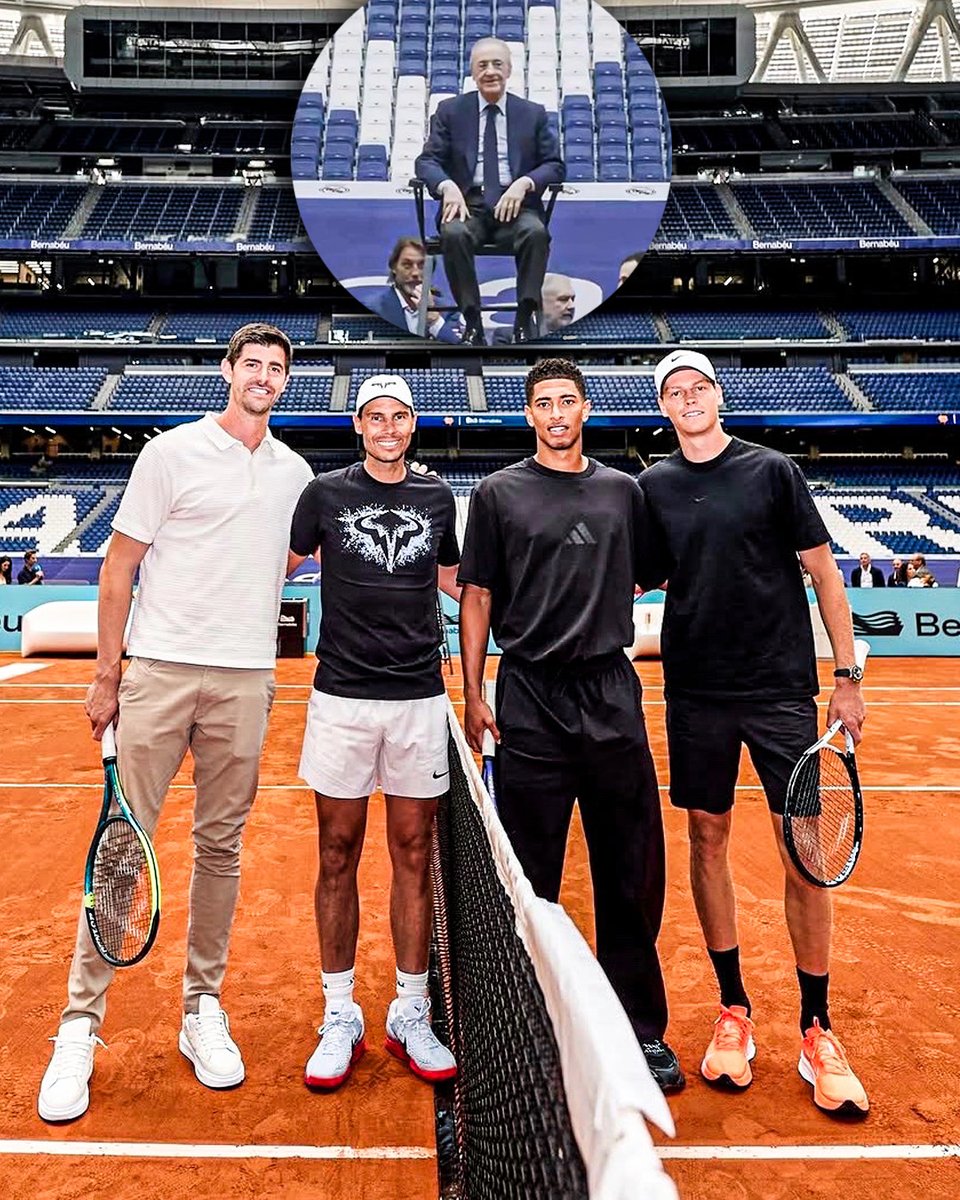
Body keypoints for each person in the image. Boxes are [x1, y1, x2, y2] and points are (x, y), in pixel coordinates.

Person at [37, 324, 314, 1123]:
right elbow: (120, 566)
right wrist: (106, 674)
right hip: (158, 672)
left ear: (286, 383)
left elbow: (287, 560)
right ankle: (79, 1027)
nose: (263, 376)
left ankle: (202, 1010)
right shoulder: (169, 453)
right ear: (229, 372)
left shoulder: (296, 474)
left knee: (221, 848)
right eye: (251, 364)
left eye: (276, 368)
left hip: (247, 680)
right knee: (125, 844)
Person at [638, 348, 869, 1117]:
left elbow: (824, 572)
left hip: (778, 692)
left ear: (717, 396)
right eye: (675, 391)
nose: (689, 398)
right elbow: (623, 574)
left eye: (698, 385)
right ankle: (733, 1009)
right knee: (707, 839)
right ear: (665, 408)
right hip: (696, 694)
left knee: (801, 850)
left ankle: (816, 1024)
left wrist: (847, 678)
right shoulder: (653, 488)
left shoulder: (773, 471)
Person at [458, 357, 683, 1093]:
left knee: (630, 870)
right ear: (528, 414)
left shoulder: (625, 492)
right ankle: (530, 1022)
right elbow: (479, 596)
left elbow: (650, 571)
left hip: (611, 691)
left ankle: (637, 1029)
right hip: (528, 693)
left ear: (585, 408)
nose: (556, 413)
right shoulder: (497, 494)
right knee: (531, 874)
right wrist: (474, 691)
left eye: (568, 401)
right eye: (543, 403)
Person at [288, 373, 460, 1092]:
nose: (387, 427)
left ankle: (410, 1010)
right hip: (342, 698)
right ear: (358, 425)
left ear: (412, 425)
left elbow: (458, 583)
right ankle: (340, 1013)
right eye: (375, 417)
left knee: (414, 851)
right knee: (337, 851)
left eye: (399, 417)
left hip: (418, 696)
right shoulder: (323, 495)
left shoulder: (437, 497)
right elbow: (279, 566)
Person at [415, 37, 565, 346]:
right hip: (467, 206)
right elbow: (426, 161)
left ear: (509, 69)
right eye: (482, 65)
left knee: (536, 233)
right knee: (453, 233)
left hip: (518, 208)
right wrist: (447, 186)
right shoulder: (450, 110)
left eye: (497, 64)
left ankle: (524, 317)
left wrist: (524, 183)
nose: (490, 71)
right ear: (472, 72)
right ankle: (472, 321)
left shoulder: (533, 113)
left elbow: (555, 165)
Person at [370, 236, 462, 343]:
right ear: (394, 267)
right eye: (407, 265)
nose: (415, 273)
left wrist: (434, 321)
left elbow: (463, 354)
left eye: (422, 265)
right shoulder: (374, 310)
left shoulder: (449, 311)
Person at [492, 272, 576, 342]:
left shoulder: (582, 338)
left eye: (573, 299)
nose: (571, 306)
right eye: (563, 299)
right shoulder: (508, 338)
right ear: (540, 302)